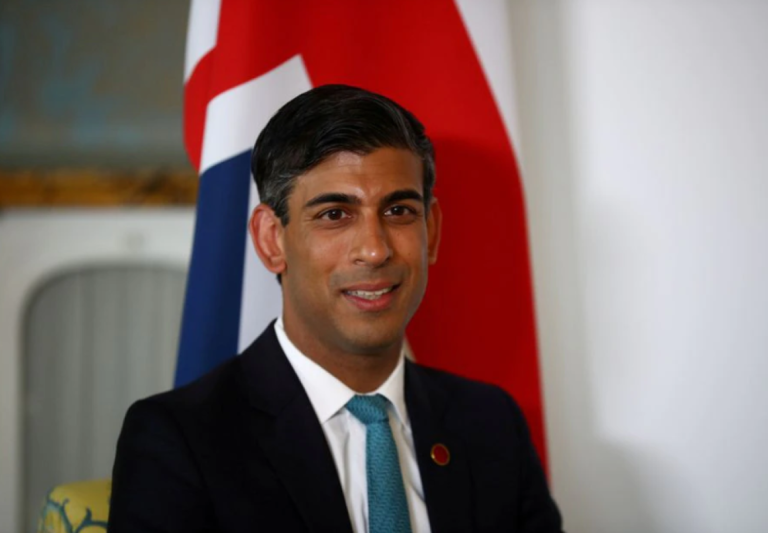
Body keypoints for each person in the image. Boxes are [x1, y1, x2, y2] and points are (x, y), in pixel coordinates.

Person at [109, 85, 563, 533]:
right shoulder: (180, 439)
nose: (374, 250)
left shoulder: (491, 423)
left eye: (399, 211)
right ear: (271, 240)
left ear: (432, 231)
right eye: (334, 215)